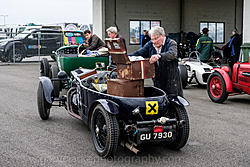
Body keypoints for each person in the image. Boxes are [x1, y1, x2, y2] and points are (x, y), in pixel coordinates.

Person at [129, 26, 183, 96]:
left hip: (171, 82)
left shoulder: (171, 43)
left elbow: (172, 54)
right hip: (158, 81)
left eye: (156, 38)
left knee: (174, 103)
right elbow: (139, 53)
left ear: (163, 36)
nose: (154, 42)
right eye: (152, 39)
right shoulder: (150, 44)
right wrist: (126, 57)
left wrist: (159, 56)